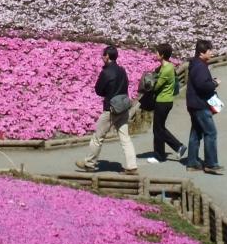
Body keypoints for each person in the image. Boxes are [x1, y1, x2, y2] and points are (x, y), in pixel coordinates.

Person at [75, 44, 137, 175]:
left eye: (103, 55)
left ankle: (89, 163)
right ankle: (132, 166)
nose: (102, 57)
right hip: (123, 108)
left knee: (98, 137)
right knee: (125, 138)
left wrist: (107, 93)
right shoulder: (122, 70)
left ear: (107, 56)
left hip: (111, 109)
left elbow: (98, 90)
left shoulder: (106, 72)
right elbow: (126, 85)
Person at [185, 39, 222, 174]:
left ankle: (192, 162)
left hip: (194, 103)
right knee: (210, 133)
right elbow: (202, 86)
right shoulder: (200, 66)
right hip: (200, 105)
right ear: (201, 53)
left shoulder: (196, 64)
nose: (211, 53)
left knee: (196, 133)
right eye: (209, 50)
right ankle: (211, 163)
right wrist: (214, 83)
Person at [145, 43, 186, 165]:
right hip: (165, 101)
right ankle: (171, 149)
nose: (155, 54)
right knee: (159, 128)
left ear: (162, 55)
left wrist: (148, 82)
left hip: (163, 101)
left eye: (157, 52)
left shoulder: (167, 69)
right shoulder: (166, 66)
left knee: (158, 129)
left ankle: (163, 154)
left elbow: (156, 86)